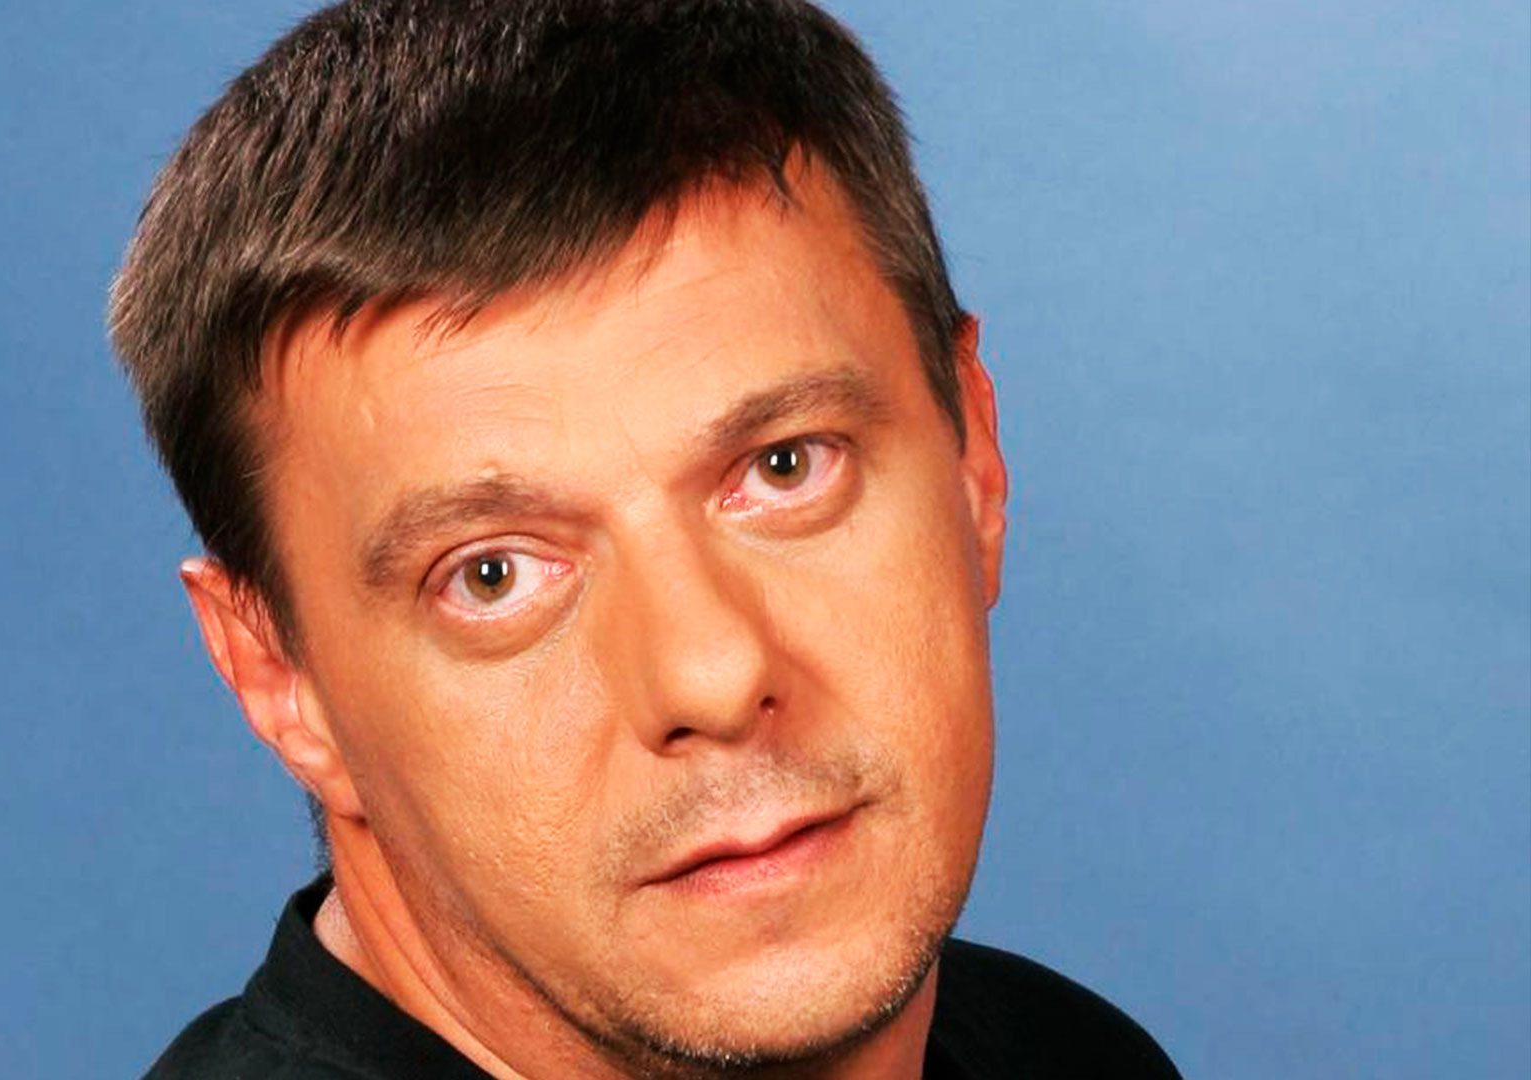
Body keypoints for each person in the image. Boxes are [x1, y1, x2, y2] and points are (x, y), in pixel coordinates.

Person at [110, 1, 1182, 1076]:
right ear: (277, 679)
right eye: (492, 574)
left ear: (974, 457)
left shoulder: (1061, 1054)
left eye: (785, 466)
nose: (711, 677)